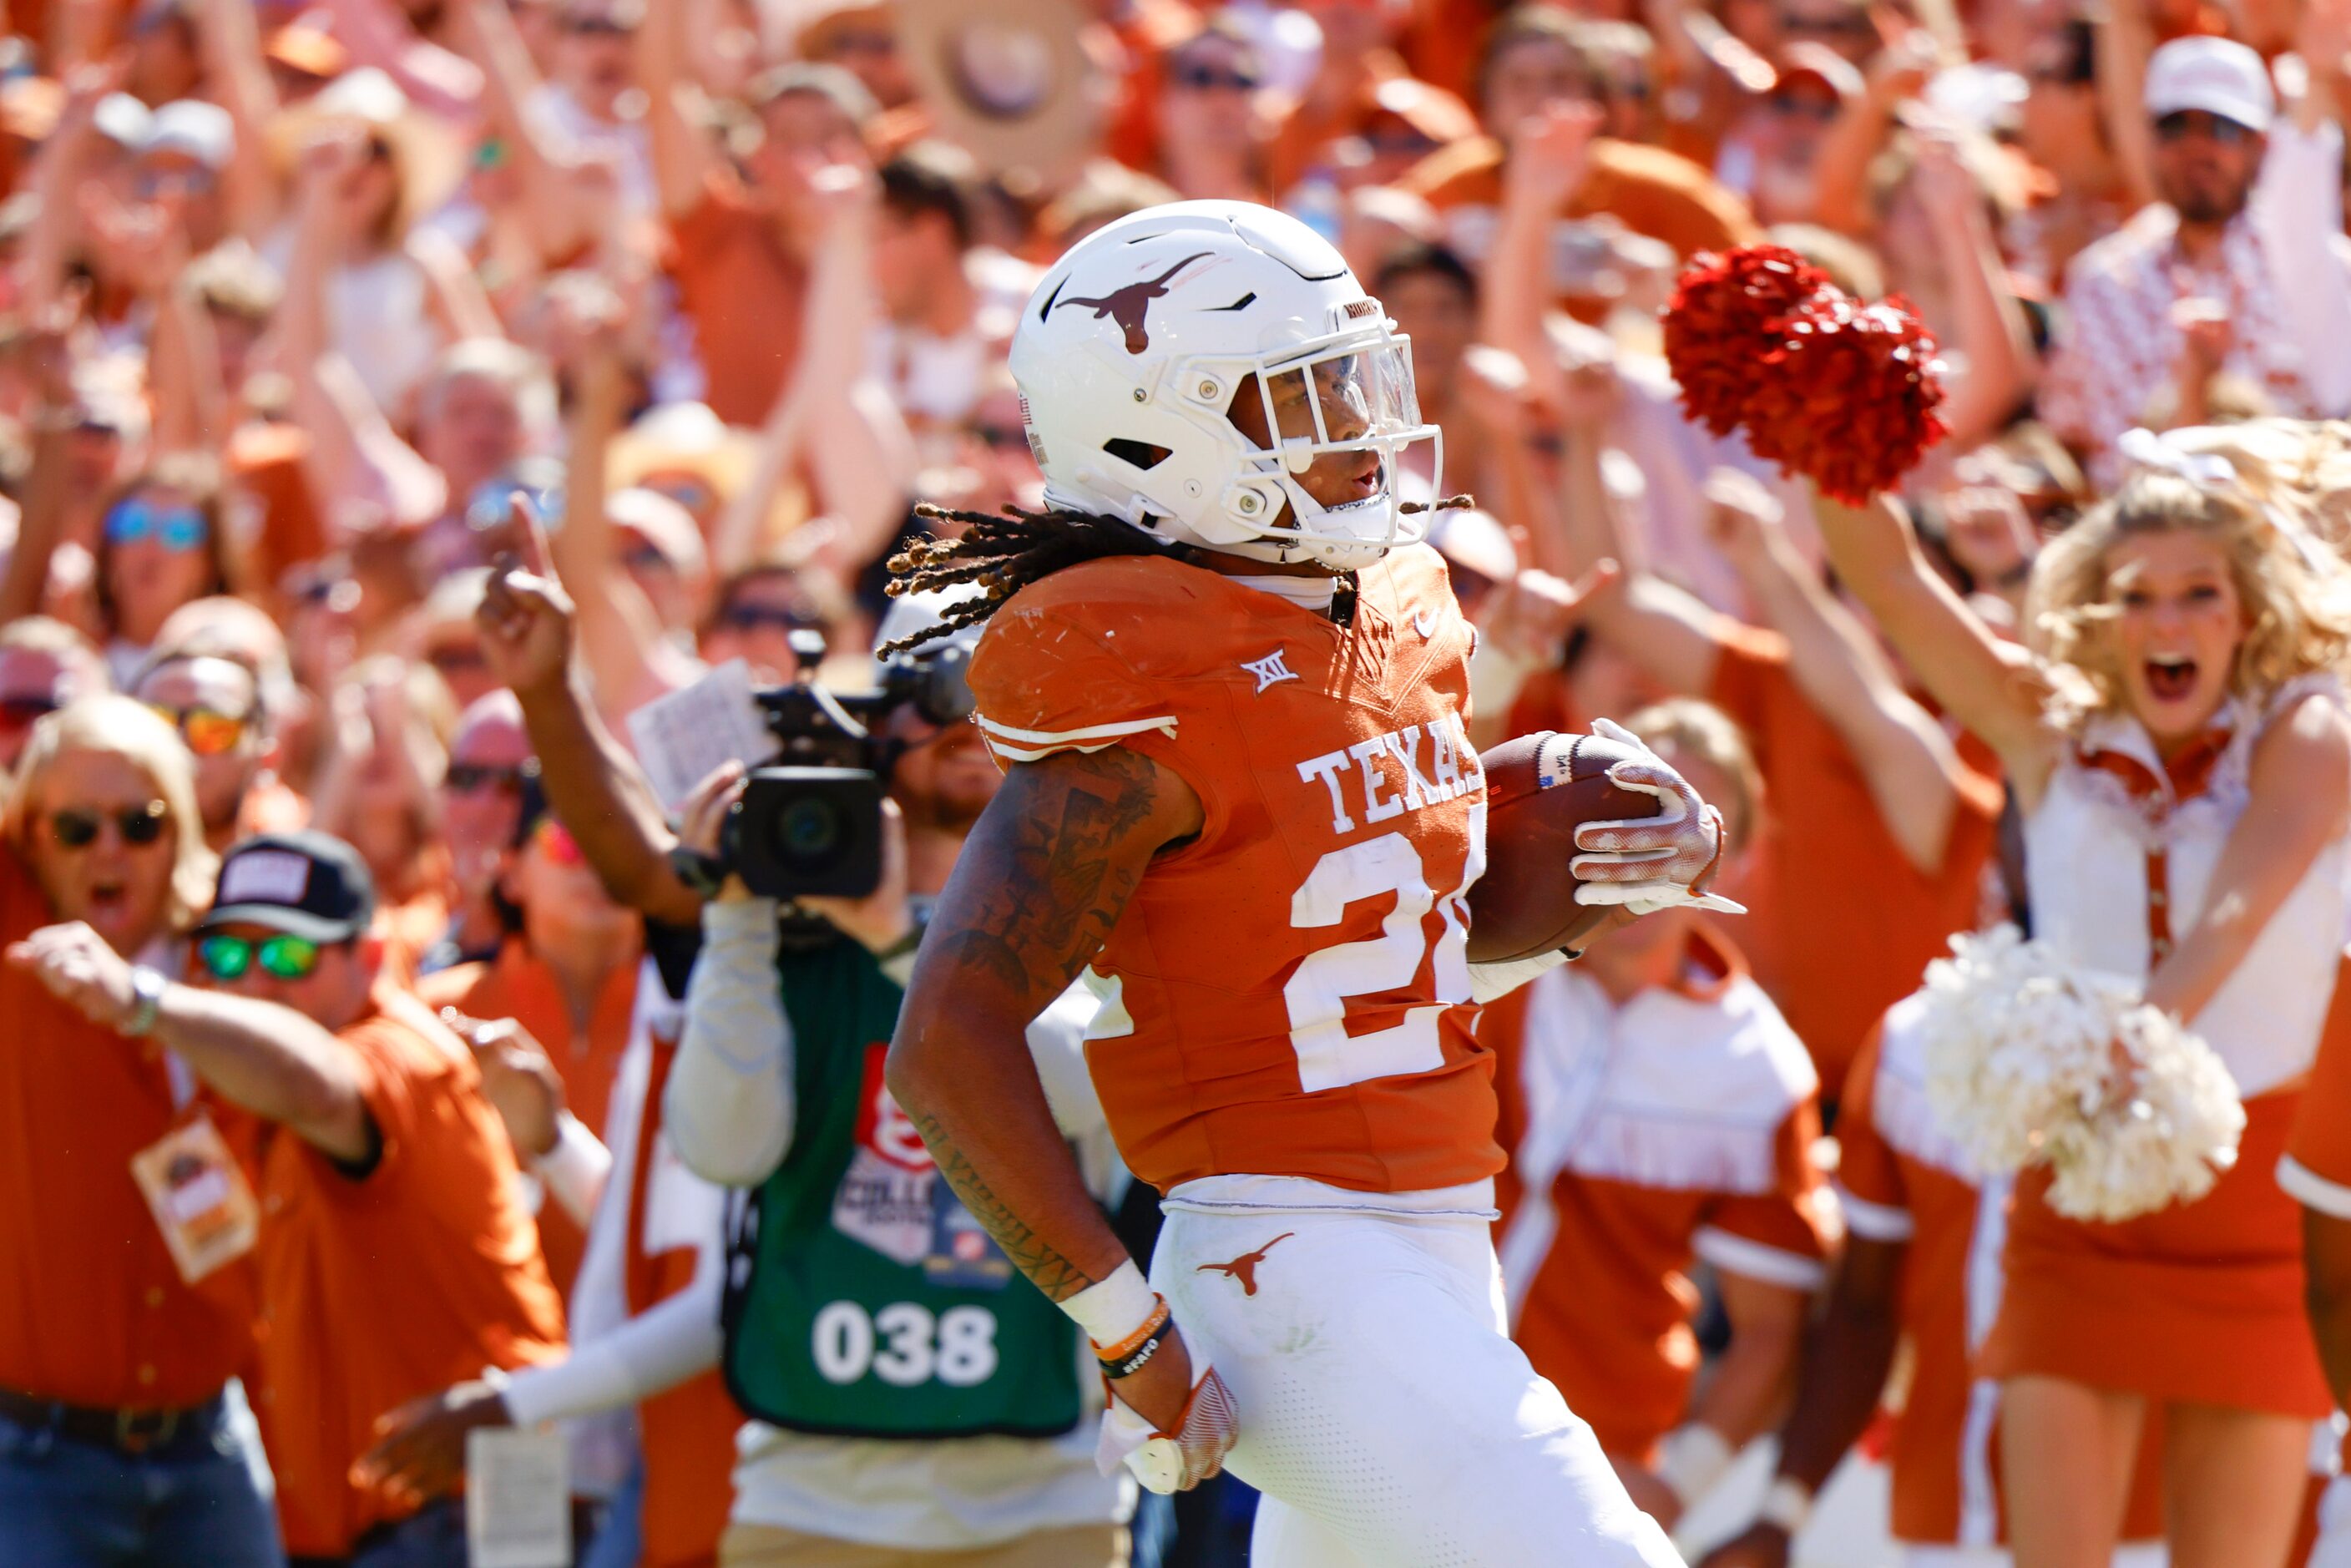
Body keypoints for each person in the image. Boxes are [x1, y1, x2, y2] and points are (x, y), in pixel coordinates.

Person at [879, 199, 1728, 1564]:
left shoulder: (1380, 606)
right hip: (1280, 1255)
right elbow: (944, 1044)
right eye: (1301, 393)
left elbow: (1394, 944)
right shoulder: (1131, 672)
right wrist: (1125, 1329)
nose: (1353, 424)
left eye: (1353, 379)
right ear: (1161, 432)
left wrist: (1597, 874)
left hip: (1438, 1226)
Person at [464, 513, 1136, 1564]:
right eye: (941, 694)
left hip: (1041, 1504)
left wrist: (888, 949)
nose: (971, 721)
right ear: (875, 726)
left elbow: (1087, 1090)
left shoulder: (1088, 907)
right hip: (808, 1504)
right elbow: (724, 1158)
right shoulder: (787, 930)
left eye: (1005, 695)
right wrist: (551, 695)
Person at [1811, 440, 2351, 1567]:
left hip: (2254, 1217)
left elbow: (2243, 904)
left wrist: (2135, 1035)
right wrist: (1831, 431)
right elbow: (1892, 584)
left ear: (2248, 610)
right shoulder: (2046, 724)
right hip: (2081, 1204)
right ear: (2096, 614)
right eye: (2137, 596)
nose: (2170, 623)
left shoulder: (2308, 729)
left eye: (2201, 594)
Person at [12, 827, 569, 1565]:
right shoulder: (232, 1094)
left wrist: (144, 1002)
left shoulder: (401, 1051)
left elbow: (320, 1091)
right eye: (229, 956)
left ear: (369, 959)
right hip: (361, 1519)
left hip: (477, 1501)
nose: (255, 983)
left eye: (287, 955)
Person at [1483, 700, 1837, 1536]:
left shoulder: (1758, 1069)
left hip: (1593, 1456)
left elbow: (1767, 1333)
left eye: (1683, 819)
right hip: (1407, 1405)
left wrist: (1676, 1488)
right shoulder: (1486, 959)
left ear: (1737, 856)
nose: (1647, 847)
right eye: (1628, 809)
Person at [1697, 996, 2171, 1568]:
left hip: (2149, 1521)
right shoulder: (1912, 1040)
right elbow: (1864, 1307)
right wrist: (1781, 1514)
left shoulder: (2181, 1052)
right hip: (1951, 1511)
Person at [0, 695, 279, 1568]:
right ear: (31, 840)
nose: (109, 849)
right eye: (76, 827)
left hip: (212, 1447)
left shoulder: (236, 956)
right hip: (39, 1464)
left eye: (140, 821)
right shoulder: (17, 933)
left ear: (182, 829)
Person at [2040, 33, 2351, 485]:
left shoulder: (2315, 267)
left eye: (2222, 128)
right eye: (2175, 126)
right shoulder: (2101, 282)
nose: (2197, 147)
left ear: (2260, 145)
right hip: (2141, 531)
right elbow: (2081, 448)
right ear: (2148, 139)